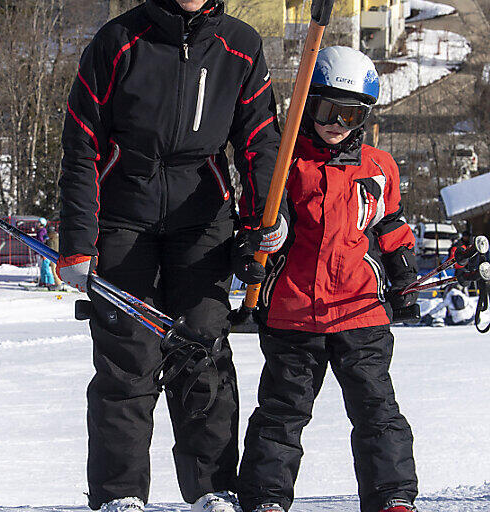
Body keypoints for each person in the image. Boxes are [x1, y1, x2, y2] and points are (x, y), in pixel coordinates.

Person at [57, 0, 283, 509]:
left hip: (202, 220)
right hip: (122, 216)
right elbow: (80, 145)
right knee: (126, 359)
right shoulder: (118, 41)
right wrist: (77, 241)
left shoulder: (240, 46)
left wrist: (262, 221)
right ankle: (119, 496)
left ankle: (213, 491)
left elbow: (260, 143)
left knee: (202, 350)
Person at [238, 47, 419, 512]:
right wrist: (250, 254)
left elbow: (390, 226)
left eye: (350, 113)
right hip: (293, 314)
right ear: (307, 104)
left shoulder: (379, 167)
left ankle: (392, 497)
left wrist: (403, 276)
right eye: (326, 110)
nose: (336, 122)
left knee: (377, 410)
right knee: (282, 413)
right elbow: (256, 224)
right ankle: (266, 498)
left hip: (361, 313)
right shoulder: (282, 166)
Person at [35, 217, 54, 288]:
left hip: (43, 252)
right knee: (42, 268)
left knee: (45, 268)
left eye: (38, 223)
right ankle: (43, 281)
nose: (37, 224)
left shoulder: (42, 231)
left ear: (42, 224)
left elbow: (42, 242)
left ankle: (50, 282)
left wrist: (42, 252)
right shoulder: (40, 231)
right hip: (40, 252)